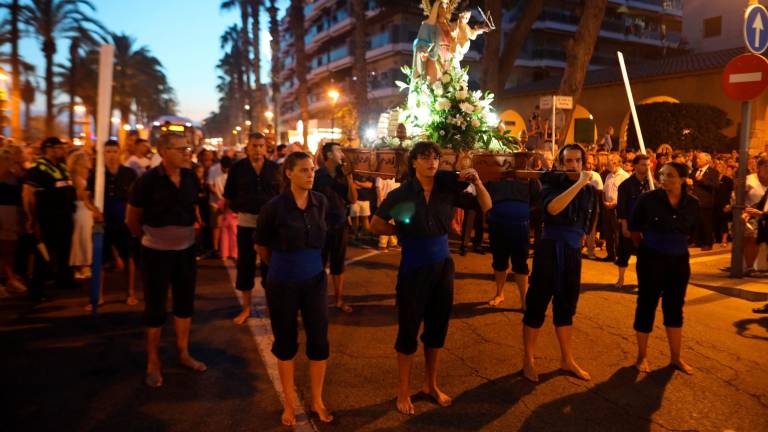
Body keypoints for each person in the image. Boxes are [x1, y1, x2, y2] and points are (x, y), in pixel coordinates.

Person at [371, 141, 491, 415]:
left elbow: (486, 205)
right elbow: (375, 223)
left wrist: (479, 182)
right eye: (425, 158)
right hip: (413, 267)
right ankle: (403, 391)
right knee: (408, 331)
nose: (432, 162)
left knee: (437, 330)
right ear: (414, 162)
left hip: (442, 268)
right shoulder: (402, 194)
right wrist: (400, 232)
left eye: (435, 158)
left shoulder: (448, 189)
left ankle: (430, 385)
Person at [255, 151, 334, 426]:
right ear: (288, 173)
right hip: (283, 282)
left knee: (319, 341)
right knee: (286, 342)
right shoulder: (274, 207)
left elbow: (325, 240)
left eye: (311, 169)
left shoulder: (320, 202)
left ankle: (317, 400)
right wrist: (284, 266)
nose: (310, 174)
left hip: (314, 281)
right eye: (303, 170)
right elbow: (262, 247)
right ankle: (289, 403)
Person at [126, 133, 207, 388]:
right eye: (181, 149)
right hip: (155, 253)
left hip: (185, 251)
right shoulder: (147, 182)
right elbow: (132, 219)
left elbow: (194, 209)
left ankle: (183, 353)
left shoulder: (191, 177)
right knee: (155, 307)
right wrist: (153, 238)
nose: (187, 153)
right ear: (163, 152)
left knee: (184, 304)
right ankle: (153, 361)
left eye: (188, 148)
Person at [522, 144, 598, 383]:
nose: (573, 165)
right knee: (537, 304)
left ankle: (567, 359)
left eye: (577, 161)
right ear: (561, 163)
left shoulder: (590, 191)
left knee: (566, 307)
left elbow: (588, 220)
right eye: (568, 161)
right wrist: (577, 184)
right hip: (549, 250)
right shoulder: (552, 184)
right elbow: (553, 208)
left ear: (584, 163)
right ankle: (528, 360)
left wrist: (588, 240)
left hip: (573, 253)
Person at [630, 162, 698, 375]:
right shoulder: (648, 199)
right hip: (651, 258)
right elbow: (634, 228)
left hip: (679, 261)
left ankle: (676, 358)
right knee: (646, 304)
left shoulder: (692, 203)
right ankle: (642, 356)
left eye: (670, 175)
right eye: (662, 174)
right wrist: (648, 248)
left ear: (683, 179)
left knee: (675, 307)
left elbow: (694, 230)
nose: (664, 178)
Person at [223, 132, 280, 325]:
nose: (257, 149)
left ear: (266, 147)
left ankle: (273, 305)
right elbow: (229, 195)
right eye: (254, 145)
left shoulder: (274, 168)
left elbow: (282, 194)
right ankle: (246, 308)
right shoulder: (238, 168)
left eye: (260, 145)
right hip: (246, 223)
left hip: (270, 225)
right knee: (245, 266)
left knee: (270, 266)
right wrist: (240, 208)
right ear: (247, 147)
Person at [23, 137, 77, 300]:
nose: (63, 150)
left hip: (65, 216)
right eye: (60, 147)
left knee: (64, 250)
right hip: (47, 218)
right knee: (43, 255)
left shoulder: (61, 167)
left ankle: (64, 279)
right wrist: (31, 218)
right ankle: (37, 290)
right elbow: (27, 194)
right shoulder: (38, 168)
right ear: (49, 149)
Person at [485, 175, 541, 309]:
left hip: (520, 226)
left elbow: (537, 200)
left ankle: (524, 300)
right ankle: (499, 293)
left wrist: (526, 217)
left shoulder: (529, 177)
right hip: (497, 224)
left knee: (521, 262)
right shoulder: (493, 174)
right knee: (499, 261)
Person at [313, 142, 357, 312]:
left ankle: (339, 299)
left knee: (338, 264)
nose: (342, 154)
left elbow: (353, 199)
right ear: (329, 155)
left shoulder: (343, 174)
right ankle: (317, 300)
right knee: (319, 264)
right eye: (339, 150)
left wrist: (349, 177)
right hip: (321, 226)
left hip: (340, 224)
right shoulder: (317, 176)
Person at [97, 140, 139, 305]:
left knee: (128, 257)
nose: (111, 155)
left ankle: (130, 293)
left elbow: (136, 197)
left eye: (114, 151)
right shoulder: (98, 174)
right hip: (103, 221)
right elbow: (86, 195)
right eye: (108, 151)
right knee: (99, 259)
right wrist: (94, 211)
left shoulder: (129, 173)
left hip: (124, 221)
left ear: (120, 152)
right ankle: (97, 295)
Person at [615, 154, 652, 289]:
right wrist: (624, 226)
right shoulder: (626, 185)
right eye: (643, 164)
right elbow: (622, 207)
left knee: (645, 257)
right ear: (635, 166)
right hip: (631, 224)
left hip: (647, 227)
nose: (646, 167)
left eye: (648, 165)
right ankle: (621, 278)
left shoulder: (651, 184)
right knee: (624, 252)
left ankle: (643, 281)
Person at [68, 150, 101, 280]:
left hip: (84, 209)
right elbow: (82, 196)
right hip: (81, 210)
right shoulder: (76, 176)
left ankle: (83, 264)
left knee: (85, 238)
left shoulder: (85, 174)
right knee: (82, 238)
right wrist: (93, 208)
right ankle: (80, 265)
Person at [0, 146, 27, 296]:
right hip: (4, 213)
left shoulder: (14, 175)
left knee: (9, 249)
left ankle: (9, 279)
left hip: (13, 213)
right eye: (6, 159)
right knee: (4, 249)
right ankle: (7, 279)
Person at [601, 154, 630, 263]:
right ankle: (610, 255)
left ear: (615, 162)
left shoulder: (625, 176)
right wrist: (604, 201)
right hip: (607, 208)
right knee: (608, 232)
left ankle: (619, 256)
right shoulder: (608, 176)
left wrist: (616, 202)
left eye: (608, 161)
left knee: (618, 233)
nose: (606, 163)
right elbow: (604, 191)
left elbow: (626, 195)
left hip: (618, 208)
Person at [689, 152, 718, 251]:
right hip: (694, 201)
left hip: (706, 201)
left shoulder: (713, 172)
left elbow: (715, 185)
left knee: (706, 223)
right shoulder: (695, 171)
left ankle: (708, 243)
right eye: (697, 159)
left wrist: (702, 180)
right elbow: (691, 181)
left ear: (706, 160)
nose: (697, 160)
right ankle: (697, 241)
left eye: (699, 159)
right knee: (697, 222)